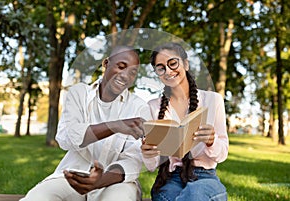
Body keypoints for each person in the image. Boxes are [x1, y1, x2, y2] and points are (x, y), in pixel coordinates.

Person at [20, 45, 151, 201]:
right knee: (37, 198)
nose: (125, 76)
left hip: (116, 182)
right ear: (106, 63)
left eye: (132, 73)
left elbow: (133, 159)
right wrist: (115, 126)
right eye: (120, 67)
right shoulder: (79, 94)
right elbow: (67, 138)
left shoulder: (139, 107)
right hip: (73, 174)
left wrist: (99, 181)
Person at [141, 42, 229, 201]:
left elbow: (222, 154)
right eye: (160, 68)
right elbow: (151, 165)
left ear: (186, 64)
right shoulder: (153, 107)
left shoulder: (213, 100)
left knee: (195, 194)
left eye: (172, 63)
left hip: (205, 177)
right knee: (168, 196)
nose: (168, 71)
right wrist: (147, 153)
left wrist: (211, 141)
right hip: (170, 178)